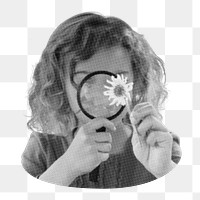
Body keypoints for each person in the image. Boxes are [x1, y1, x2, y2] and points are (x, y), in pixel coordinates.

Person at [21, 12, 182, 188]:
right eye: (87, 81)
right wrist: (66, 167)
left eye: (117, 80)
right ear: (60, 86)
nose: (102, 96)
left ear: (136, 82)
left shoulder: (160, 144)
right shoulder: (43, 148)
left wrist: (165, 170)